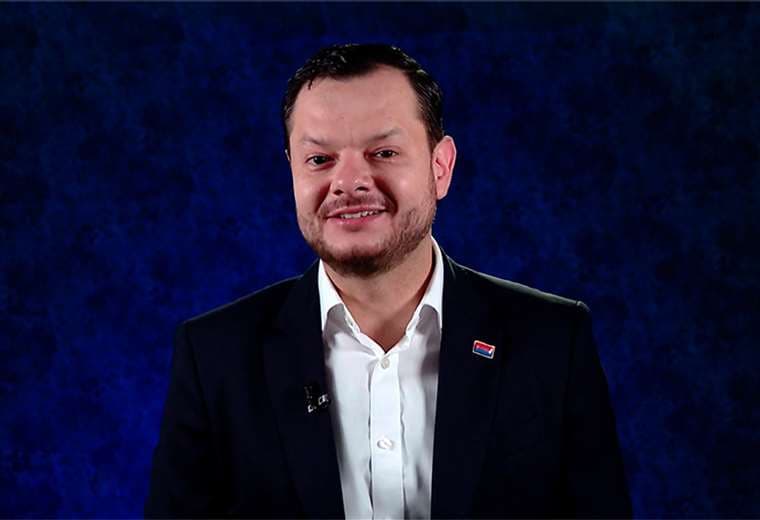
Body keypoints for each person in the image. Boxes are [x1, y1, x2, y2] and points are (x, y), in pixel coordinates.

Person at [145, 43, 631, 519]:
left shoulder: (552, 341)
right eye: (319, 159)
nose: (349, 182)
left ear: (441, 168)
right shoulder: (215, 357)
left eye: (383, 152)